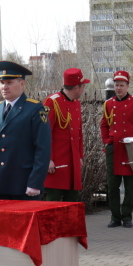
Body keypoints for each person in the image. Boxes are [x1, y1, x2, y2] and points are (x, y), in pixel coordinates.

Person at [0, 60, 52, 266]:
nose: (4, 86)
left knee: (28, 235)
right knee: (6, 234)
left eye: (9, 82)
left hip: (24, 184)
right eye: (2, 82)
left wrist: (35, 182)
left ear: (22, 83)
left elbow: (42, 149)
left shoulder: (34, 109)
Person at [100, 70, 133, 228]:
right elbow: (104, 124)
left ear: (127, 85)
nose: (118, 88)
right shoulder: (108, 104)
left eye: (121, 85)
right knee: (112, 185)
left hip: (130, 150)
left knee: (130, 185)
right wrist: (107, 141)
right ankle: (115, 217)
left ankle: (127, 217)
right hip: (114, 150)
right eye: (116, 85)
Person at [44, 68, 87, 202]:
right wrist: (47, 159)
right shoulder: (52, 102)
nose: (83, 89)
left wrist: (80, 155)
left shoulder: (77, 103)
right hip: (56, 164)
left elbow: (78, 133)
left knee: (72, 203)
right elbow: (44, 133)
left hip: (72, 162)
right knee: (53, 203)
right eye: (83, 86)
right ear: (76, 87)